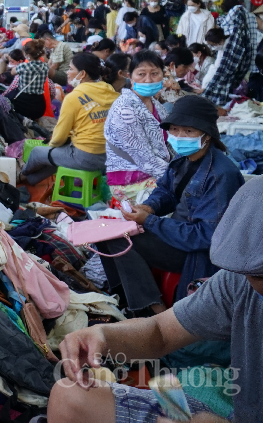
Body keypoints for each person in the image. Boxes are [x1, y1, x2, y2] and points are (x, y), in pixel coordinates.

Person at [50, 176, 263, 423]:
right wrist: (103, 336)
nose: (251, 281)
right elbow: (161, 331)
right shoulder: (238, 282)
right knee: (70, 397)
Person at [98, 95, 244, 317]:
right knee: (105, 233)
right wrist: (149, 208)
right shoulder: (182, 160)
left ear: (207, 135)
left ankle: (154, 311)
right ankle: (124, 296)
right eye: (175, 130)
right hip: (177, 234)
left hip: (196, 252)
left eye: (188, 131)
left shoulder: (222, 174)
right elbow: (166, 191)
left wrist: (150, 221)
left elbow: (205, 237)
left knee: (120, 240)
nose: (178, 136)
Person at [21, 53, 118, 185]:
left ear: (82, 74)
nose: (67, 72)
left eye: (71, 69)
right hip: (109, 156)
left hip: (87, 156)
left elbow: (59, 137)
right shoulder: (111, 91)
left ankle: (21, 176)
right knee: (57, 156)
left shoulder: (73, 97)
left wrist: (51, 146)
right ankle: (30, 180)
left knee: (38, 152)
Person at [104, 51, 170, 204]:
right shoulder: (125, 109)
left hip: (155, 169)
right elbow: (144, 159)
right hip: (130, 179)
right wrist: (176, 175)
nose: (148, 80)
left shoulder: (155, 104)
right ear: (130, 76)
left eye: (154, 73)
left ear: (162, 75)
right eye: (141, 74)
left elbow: (168, 141)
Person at [203, 0, 253, 107]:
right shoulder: (245, 23)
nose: (212, 48)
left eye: (213, 45)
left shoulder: (232, 45)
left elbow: (222, 67)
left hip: (240, 78)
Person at [4, 39, 48, 121]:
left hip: (23, 104)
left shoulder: (24, 66)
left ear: (27, 55)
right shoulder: (45, 67)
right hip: (40, 105)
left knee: (6, 100)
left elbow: (12, 72)